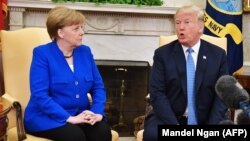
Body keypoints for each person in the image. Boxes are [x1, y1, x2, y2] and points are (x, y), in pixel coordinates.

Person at [24, 6, 112, 141]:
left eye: (82, 27)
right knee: (75, 136)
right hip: (46, 117)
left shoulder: (85, 52)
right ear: (60, 32)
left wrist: (96, 113)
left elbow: (98, 87)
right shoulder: (42, 53)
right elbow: (40, 95)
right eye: (76, 28)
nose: (82, 32)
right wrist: (69, 118)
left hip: (80, 114)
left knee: (102, 131)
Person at [143, 5, 229, 141]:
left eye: (186, 22)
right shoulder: (162, 54)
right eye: (177, 23)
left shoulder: (218, 55)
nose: (180, 27)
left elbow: (222, 95)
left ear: (200, 27)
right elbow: (157, 93)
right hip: (170, 118)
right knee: (153, 135)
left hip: (207, 118)